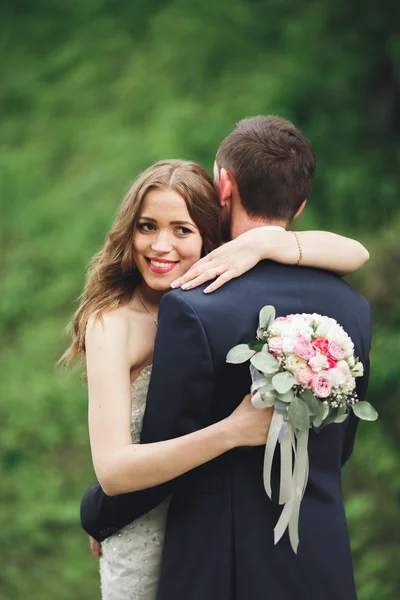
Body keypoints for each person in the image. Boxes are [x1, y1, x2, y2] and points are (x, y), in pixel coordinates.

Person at [76, 123, 370, 600]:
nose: (160, 245)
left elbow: (357, 251)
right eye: (146, 227)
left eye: (182, 229)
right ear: (299, 208)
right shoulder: (351, 308)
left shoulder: (198, 306)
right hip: (277, 544)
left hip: (203, 540)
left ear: (222, 192)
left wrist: (263, 243)